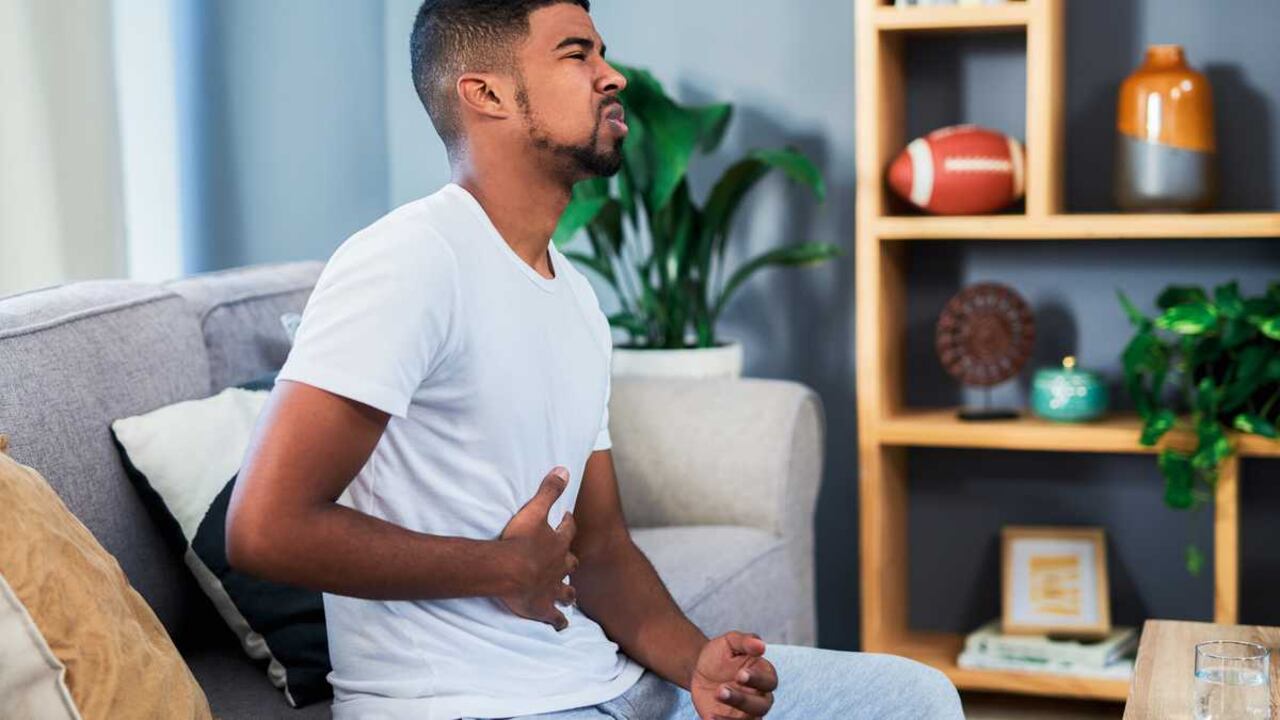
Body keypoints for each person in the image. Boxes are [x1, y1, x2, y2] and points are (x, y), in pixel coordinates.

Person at [225, 1, 965, 718]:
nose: (613, 76)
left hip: (605, 684)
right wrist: (501, 566)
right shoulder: (410, 260)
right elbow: (265, 527)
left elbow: (604, 547)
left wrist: (697, 665)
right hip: (469, 704)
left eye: (601, 53)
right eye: (577, 53)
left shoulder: (573, 295)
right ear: (485, 94)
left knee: (914, 698)